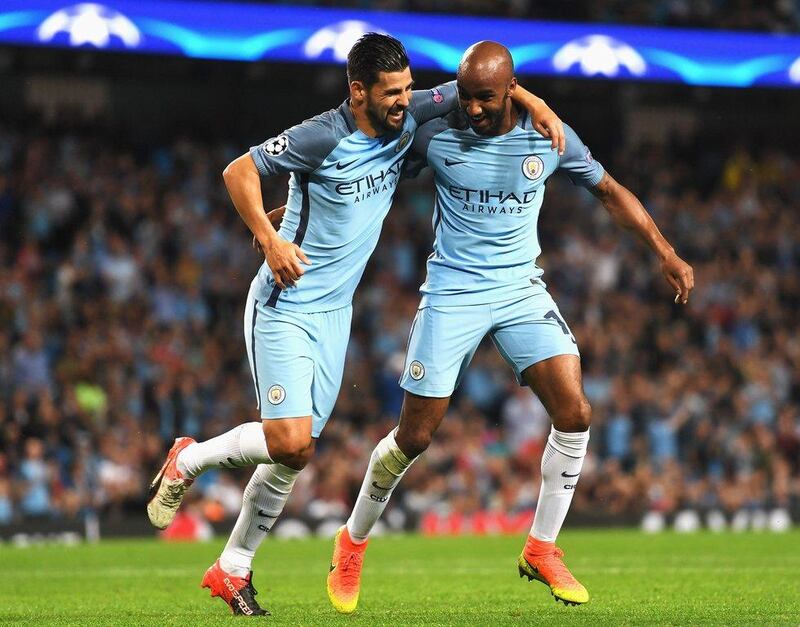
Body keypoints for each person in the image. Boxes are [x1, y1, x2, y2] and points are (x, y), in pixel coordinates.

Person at [145, 33, 565, 616]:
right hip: (286, 303)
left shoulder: (411, 112)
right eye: (391, 93)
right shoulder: (322, 134)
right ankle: (186, 459)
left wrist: (540, 107)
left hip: (335, 312)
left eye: (408, 90)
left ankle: (232, 568)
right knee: (289, 440)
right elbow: (237, 171)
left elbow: (493, 87)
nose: (404, 102)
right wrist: (270, 240)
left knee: (295, 455)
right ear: (358, 91)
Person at [327, 41, 694, 612]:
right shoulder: (435, 129)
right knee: (415, 438)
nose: (471, 108)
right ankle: (351, 542)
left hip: (520, 288)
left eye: (485, 98)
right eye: (465, 95)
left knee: (575, 412)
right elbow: (372, 158)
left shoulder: (549, 137)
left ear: (512, 88)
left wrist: (665, 251)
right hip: (452, 291)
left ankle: (541, 547)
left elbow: (610, 191)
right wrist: (304, 205)